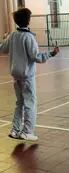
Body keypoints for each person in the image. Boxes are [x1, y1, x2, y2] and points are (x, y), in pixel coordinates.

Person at [0, 8, 59, 141]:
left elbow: (2, 48)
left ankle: (15, 130)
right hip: (26, 76)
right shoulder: (28, 37)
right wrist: (51, 53)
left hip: (15, 75)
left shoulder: (13, 35)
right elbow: (36, 57)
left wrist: (4, 40)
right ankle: (27, 131)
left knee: (19, 102)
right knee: (30, 103)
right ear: (28, 20)